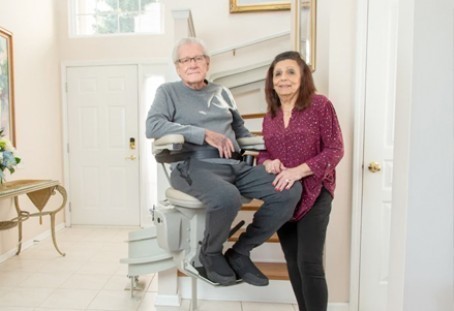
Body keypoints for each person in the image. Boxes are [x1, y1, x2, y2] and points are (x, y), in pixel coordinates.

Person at [145, 38, 302, 287]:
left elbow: (240, 131)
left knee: (289, 190)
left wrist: (270, 152)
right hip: (193, 166)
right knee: (226, 196)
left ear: (207, 63)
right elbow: (152, 126)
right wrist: (202, 133)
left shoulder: (223, 92)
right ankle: (210, 252)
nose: (192, 64)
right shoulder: (168, 92)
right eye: (185, 60)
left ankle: (240, 251)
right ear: (178, 67)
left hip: (235, 165)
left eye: (197, 58)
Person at [257, 51, 344, 310]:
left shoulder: (320, 105)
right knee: (293, 260)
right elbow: (264, 152)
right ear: (271, 81)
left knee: (310, 262)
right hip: (283, 196)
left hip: (316, 191)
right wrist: (267, 162)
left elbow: (335, 149)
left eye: (291, 72)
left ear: (303, 76)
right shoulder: (269, 116)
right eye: (278, 73)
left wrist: (299, 171)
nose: (284, 78)